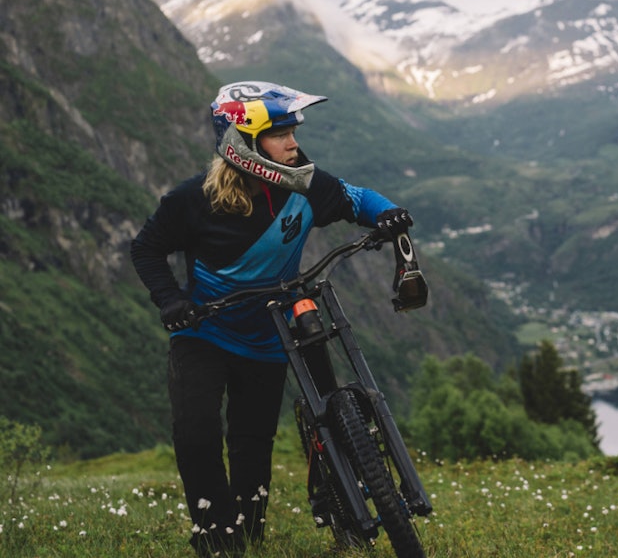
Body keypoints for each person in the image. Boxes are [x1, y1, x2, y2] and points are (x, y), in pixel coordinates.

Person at [130, 81, 414, 557]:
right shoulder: (193, 200)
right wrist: (170, 299)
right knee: (195, 432)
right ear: (242, 142)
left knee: (252, 442)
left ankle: (246, 538)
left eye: (292, 131)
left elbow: (355, 199)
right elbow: (147, 248)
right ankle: (214, 540)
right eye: (279, 133)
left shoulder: (305, 184)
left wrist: (388, 214)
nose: (293, 143)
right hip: (205, 331)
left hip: (270, 335)